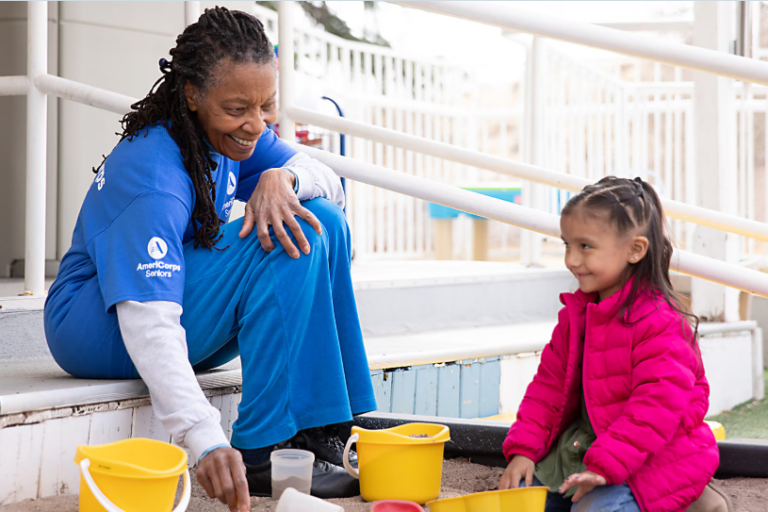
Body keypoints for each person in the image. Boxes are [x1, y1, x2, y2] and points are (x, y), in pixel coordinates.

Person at [43, 7, 376, 512]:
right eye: (239, 109)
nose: (256, 125)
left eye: (267, 107)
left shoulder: (222, 134)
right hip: (98, 324)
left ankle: (324, 425)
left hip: (166, 306)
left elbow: (329, 182)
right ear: (194, 96)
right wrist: (205, 438)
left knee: (320, 216)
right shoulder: (153, 175)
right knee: (283, 238)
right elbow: (148, 322)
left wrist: (282, 178)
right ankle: (262, 448)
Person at [498, 177, 728, 512]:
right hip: (582, 447)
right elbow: (547, 389)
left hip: (651, 458)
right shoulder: (577, 315)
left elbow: (654, 410)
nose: (572, 260)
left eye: (585, 247)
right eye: (567, 245)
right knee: (518, 500)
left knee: (595, 509)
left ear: (635, 250)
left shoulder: (660, 323)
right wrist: (524, 451)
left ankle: (701, 502)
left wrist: (604, 466)